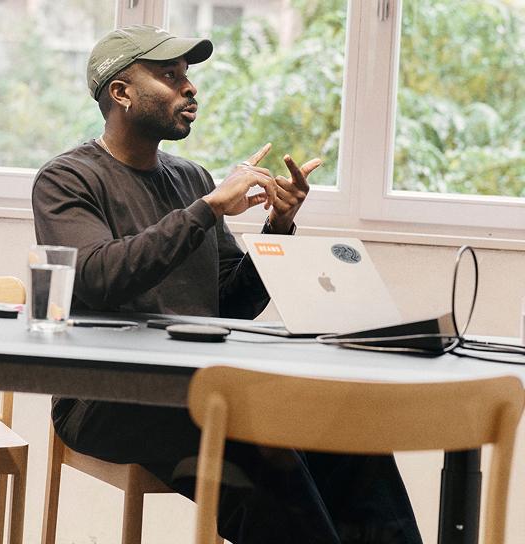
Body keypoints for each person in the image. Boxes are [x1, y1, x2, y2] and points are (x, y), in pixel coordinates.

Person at [32, 24, 422, 544]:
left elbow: (232, 306)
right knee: (262, 453)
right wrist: (209, 208)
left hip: (199, 387)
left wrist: (277, 229)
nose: (188, 87)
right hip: (107, 398)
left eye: (188, 75)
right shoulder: (67, 179)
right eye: (169, 76)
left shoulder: (190, 179)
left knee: (345, 437)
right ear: (121, 93)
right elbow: (101, 277)